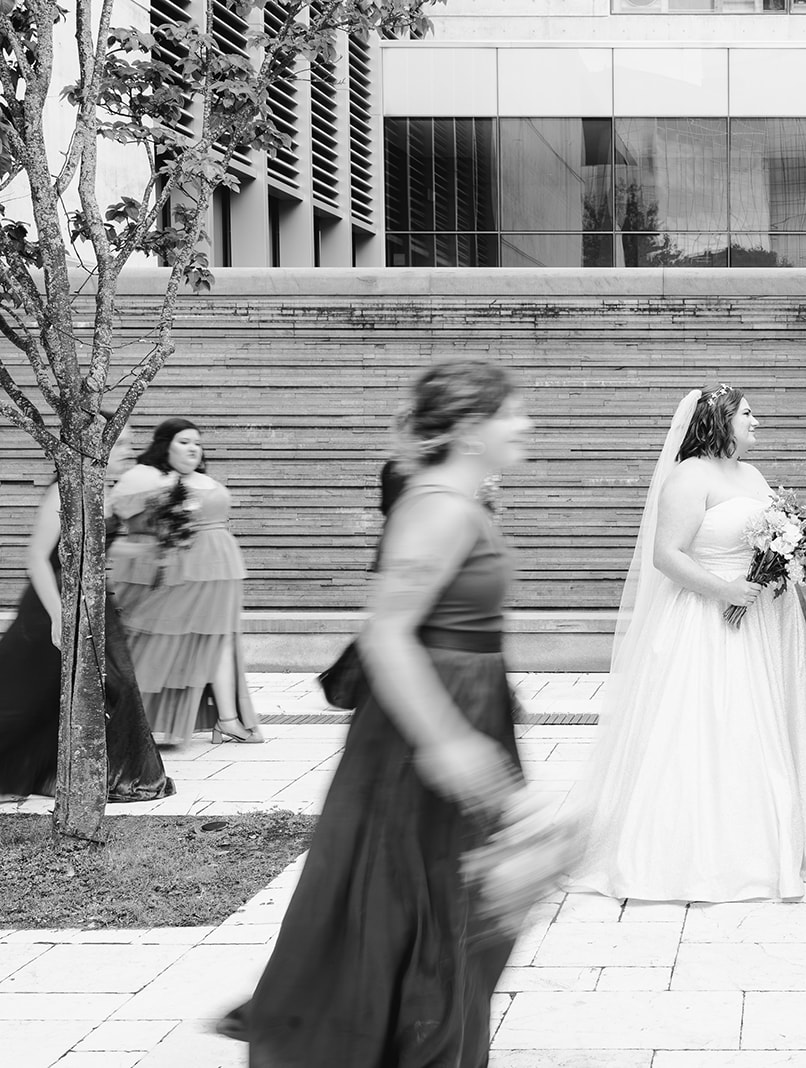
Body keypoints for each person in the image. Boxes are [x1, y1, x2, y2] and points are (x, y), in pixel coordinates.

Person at [223, 359, 536, 1066]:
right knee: (419, 898)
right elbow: (388, 632)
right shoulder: (439, 508)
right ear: (467, 426)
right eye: (512, 412)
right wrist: (447, 742)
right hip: (430, 725)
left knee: (456, 899)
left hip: (463, 706)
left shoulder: (453, 501)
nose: (525, 424)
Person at [564, 385, 806, 902]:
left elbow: (774, 539)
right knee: (719, 724)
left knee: (778, 718)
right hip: (709, 616)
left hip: (770, 619)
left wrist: (795, 592)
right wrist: (726, 590)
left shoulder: (751, 474)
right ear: (722, 419)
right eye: (748, 413)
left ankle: (797, 837)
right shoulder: (687, 476)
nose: (757, 421)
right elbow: (667, 554)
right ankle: (717, 853)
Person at [0, 424, 175, 802]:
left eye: (129, 442)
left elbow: (105, 550)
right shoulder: (64, 490)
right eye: (120, 443)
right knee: (27, 693)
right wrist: (61, 616)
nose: (128, 451)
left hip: (93, 600)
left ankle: (98, 773)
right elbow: (37, 559)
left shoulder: (103, 491)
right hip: (55, 602)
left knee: (109, 684)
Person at [107, 418, 262, 744]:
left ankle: (228, 719)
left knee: (221, 641)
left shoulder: (200, 479)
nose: (193, 448)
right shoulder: (153, 481)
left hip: (224, 567)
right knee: (167, 640)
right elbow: (126, 522)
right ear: (166, 445)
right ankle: (132, 716)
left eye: (197, 442)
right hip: (188, 570)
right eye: (183, 441)